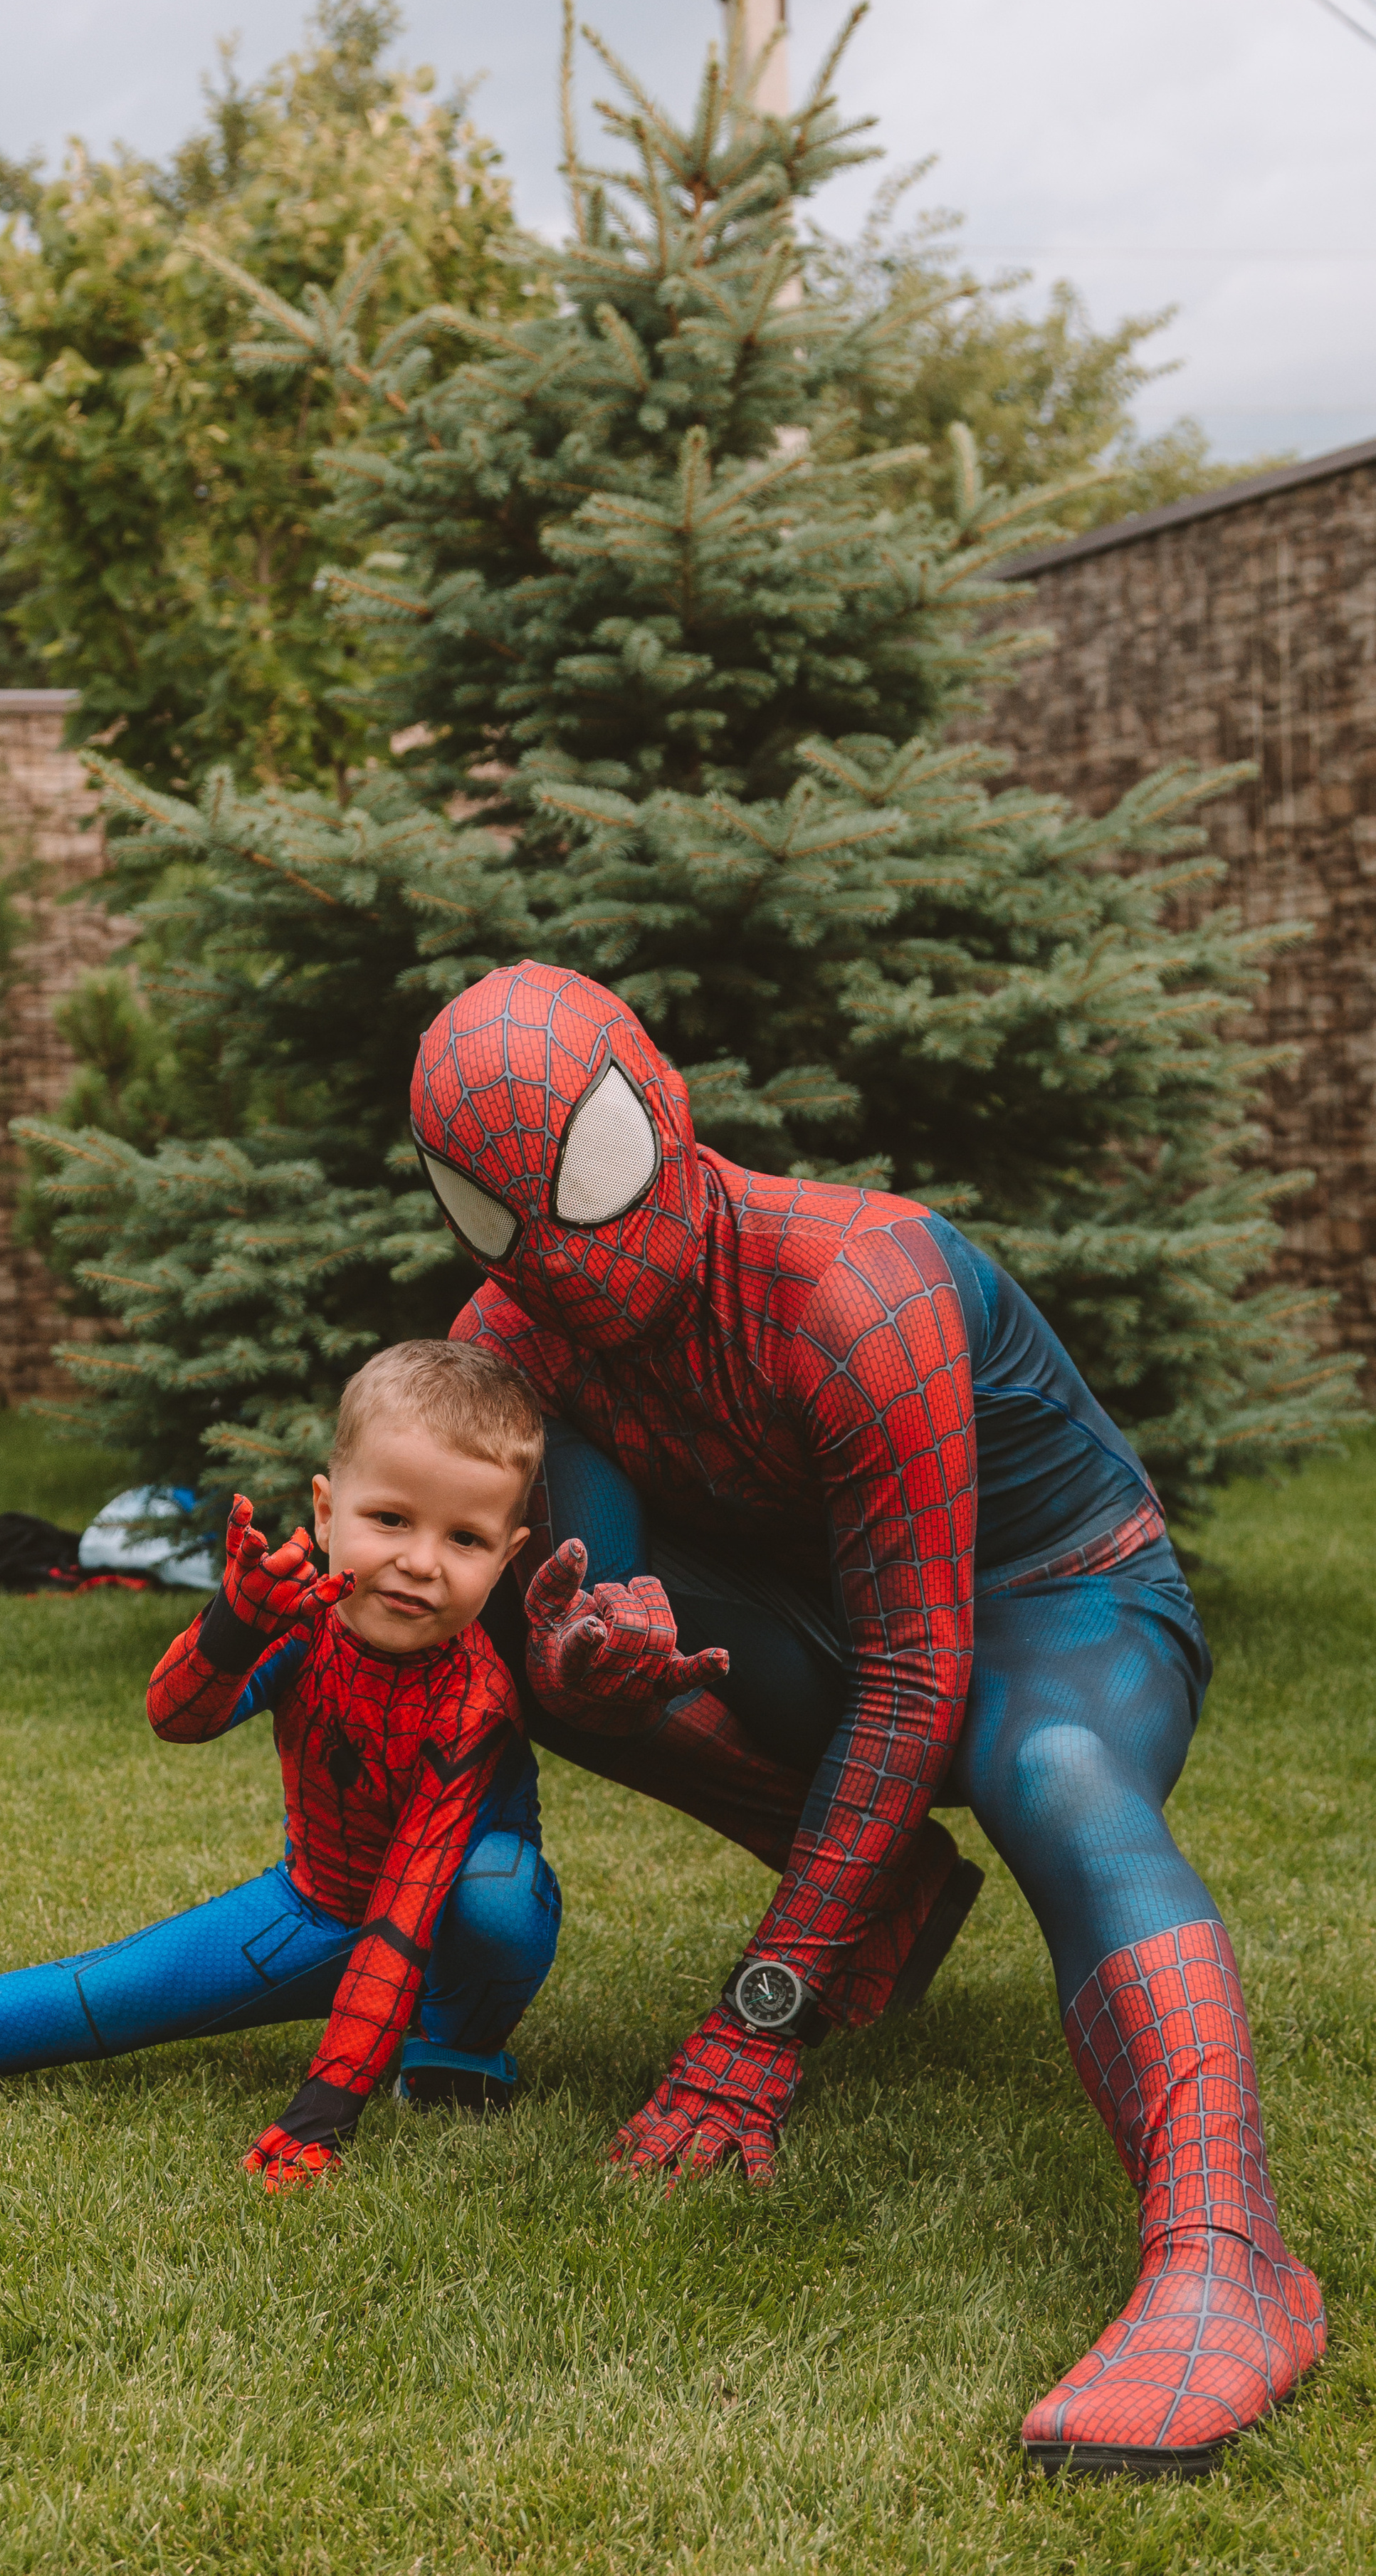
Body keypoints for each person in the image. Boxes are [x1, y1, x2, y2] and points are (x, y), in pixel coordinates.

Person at [410, 957, 1324, 2481]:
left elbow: (919, 1678)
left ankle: (1227, 2262)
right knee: (541, 1656)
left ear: (667, 1111)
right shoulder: (514, 1343)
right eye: (504, 1211)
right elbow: (595, 1589)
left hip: (1058, 1594)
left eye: (591, 1173)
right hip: (829, 1609)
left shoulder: (857, 1281)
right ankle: (886, 1899)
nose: (561, 1252)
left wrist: (751, 2031)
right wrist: (582, 1664)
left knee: (1042, 1763)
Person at [0, 1342, 560, 2187]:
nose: (418, 1564)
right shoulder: (305, 1618)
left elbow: (405, 1920)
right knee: (94, 1995)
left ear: (508, 1556)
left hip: (437, 1926)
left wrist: (321, 2112)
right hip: (315, 1905)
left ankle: (454, 2044)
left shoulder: (473, 1700)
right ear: (327, 1512)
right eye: (390, 1519)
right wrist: (234, 1624)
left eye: (464, 1540)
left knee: (499, 1894)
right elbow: (176, 1716)